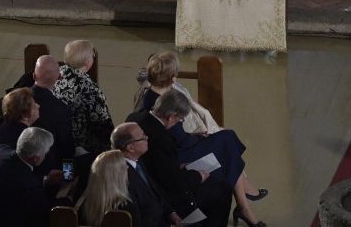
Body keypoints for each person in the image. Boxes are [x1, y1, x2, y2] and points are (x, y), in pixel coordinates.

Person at [137, 52, 267, 226]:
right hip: (178, 156)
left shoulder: (153, 95)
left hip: (180, 146)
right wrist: (201, 138)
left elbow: (176, 132)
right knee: (226, 141)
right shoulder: (162, 101)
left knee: (226, 140)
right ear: (172, 77)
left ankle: (243, 204)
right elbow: (177, 138)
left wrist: (199, 136)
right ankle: (243, 203)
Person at [127, 90, 232, 227]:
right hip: (163, 198)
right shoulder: (162, 138)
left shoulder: (134, 118)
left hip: (148, 184)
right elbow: (174, 184)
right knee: (222, 190)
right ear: (171, 117)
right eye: (180, 120)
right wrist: (198, 176)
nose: (179, 123)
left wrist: (177, 167)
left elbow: (159, 166)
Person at [111, 122, 182, 227]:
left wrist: (171, 213)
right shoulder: (122, 178)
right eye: (143, 137)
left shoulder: (137, 161)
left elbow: (155, 192)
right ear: (131, 148)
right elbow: (139, 220)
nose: (147, 138)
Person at [52, 40, 114, 154]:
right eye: (92, 55)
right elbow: (101, 120)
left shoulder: (57, 74)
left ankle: (67, 173)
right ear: (87, 61)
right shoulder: (88, 87)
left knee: (67, 170)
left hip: (57, 142)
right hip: (81, 147)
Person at [0, 127, 55, 227]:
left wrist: (45, 180)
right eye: (45, 153)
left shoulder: (0, 151)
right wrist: (68, 197)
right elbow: (44, 210)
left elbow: (18, 176)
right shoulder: (29, 188)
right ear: (36, 158)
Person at [31, 55, 75, 168]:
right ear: (59, 77)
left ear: (33, 75)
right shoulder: (61, 109)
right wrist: (67, 176)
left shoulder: (19, 100)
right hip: (51, 172)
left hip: (21, 169)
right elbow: (67, 149)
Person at [78, 150, 141, 226]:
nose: (127, 169)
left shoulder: (84, 204)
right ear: (118, 174)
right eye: (125, 167)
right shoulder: (126, 207)